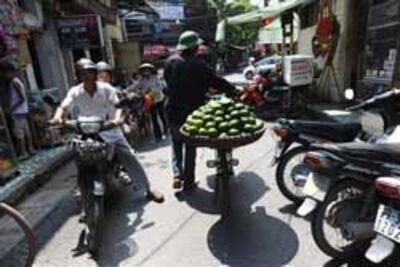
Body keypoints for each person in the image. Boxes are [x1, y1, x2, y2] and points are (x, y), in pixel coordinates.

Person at [51, 58, 164, 203]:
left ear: (95, 74)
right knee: (79, 158)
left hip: (109, 130)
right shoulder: (75, 91)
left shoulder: (107, 89)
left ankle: (147, 189)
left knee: (128, 155)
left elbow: (118, 106)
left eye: (90, 72)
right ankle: (82, 188)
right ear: (78, 76)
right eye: (83, 73)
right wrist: (58, 117)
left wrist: (117, 120)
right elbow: (64, 106)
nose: (88, 76)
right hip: (85, 133)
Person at [164, 31, 236, 190]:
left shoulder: (169, 62)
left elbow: (169, 84)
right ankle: (188, 181)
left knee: (176, 144)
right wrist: (233, 91)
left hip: (172, 110)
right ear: (195, 47)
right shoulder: (199, 65)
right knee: (190, 146)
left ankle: (177, 174)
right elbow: (217, 81)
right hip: (192, 113)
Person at [4, 60, 35, 160]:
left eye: (6, 73)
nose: (5, 76)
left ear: (10, 72)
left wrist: (11, 109)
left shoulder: (14, 82)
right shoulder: (19, 81)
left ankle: (23, 152)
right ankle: (30, 149)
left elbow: (21, 97)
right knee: (26, 131)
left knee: (19, 133)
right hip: (23, 111)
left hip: (17, 111)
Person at [136, 63, 168, 142]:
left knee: (162, 115)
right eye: (144, 71)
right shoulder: (142, 80)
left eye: (147, 70)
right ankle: (158, 135)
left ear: (150, 70)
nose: (146, 72)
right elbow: (137, 87)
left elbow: (161, 86)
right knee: (153, 118)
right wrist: (143, 91)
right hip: (150, 101)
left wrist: (153, 91)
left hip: (159, 99)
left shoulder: (156, 78)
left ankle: (166, 131)